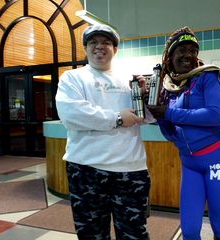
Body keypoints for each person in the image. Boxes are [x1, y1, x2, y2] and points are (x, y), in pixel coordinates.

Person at [55, 24, 151, 240]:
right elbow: (72, 115)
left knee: (134, 233)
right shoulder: (72, 78)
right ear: (85, 48)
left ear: (115, 49)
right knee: (91, 234)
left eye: (106, 42)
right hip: (86, 169)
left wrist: (146, 95)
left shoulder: (131, 81)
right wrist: (117, 118)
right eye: (93, 42)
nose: (100, 47)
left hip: (130, 169)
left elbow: (148, 117)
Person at [146, 26, 220, 240]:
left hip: (218, 160)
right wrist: (159, 114)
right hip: (190, 163)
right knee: (188, 229)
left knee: (219, 225)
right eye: (182, 50)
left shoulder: (208, 76)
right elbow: (172, 133)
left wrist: (168, 112)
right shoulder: (168, 87)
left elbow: (216, 115)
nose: (188, 55)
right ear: (170, 57)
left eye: (193, 50)